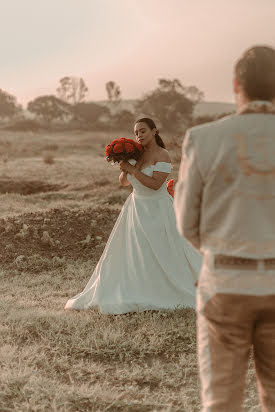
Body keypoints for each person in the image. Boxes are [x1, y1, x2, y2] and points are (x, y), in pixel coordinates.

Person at [174, 45, 275, 412]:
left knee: (221, 400)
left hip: (226, 281)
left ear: (236, 84)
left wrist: (222, 251)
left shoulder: (204, 139)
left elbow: (186, 223)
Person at [65, 117, 202, 314]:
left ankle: (168, 290)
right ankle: (138, 287)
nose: (139, 135)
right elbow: (124, 183)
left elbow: (155, 185)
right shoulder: (137, 155)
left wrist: (132, 170)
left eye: (143, 131)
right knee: (136, 251)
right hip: (136, 208)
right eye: (136, 132)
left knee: (164, 250)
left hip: (158, 208)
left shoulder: (162, 155)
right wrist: (125, 164)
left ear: (154, 131)